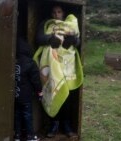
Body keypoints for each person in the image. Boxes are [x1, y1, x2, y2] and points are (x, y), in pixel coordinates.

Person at [34, 5, 83, 138]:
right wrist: (50, 39)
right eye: (54, 12)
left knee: (66, 96)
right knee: (52, 94)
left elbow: (78, 40)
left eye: (59, 12)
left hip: (67, 66)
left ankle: (66, 125)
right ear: (51, 13)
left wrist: (75, 40)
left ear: (63, 13)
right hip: (51, 65)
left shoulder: (70, 24)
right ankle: (53, 124)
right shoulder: (46, 24)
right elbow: (38, 38)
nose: (56, 14)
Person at [14, 37, 43, 141]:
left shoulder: (14, 61)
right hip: (26, 96)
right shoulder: (30, 63)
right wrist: (39, 91)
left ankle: (17, 135)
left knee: (17, 115)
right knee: (27, 115)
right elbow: (35, 80)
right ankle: (30, 136)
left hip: (15, 95)